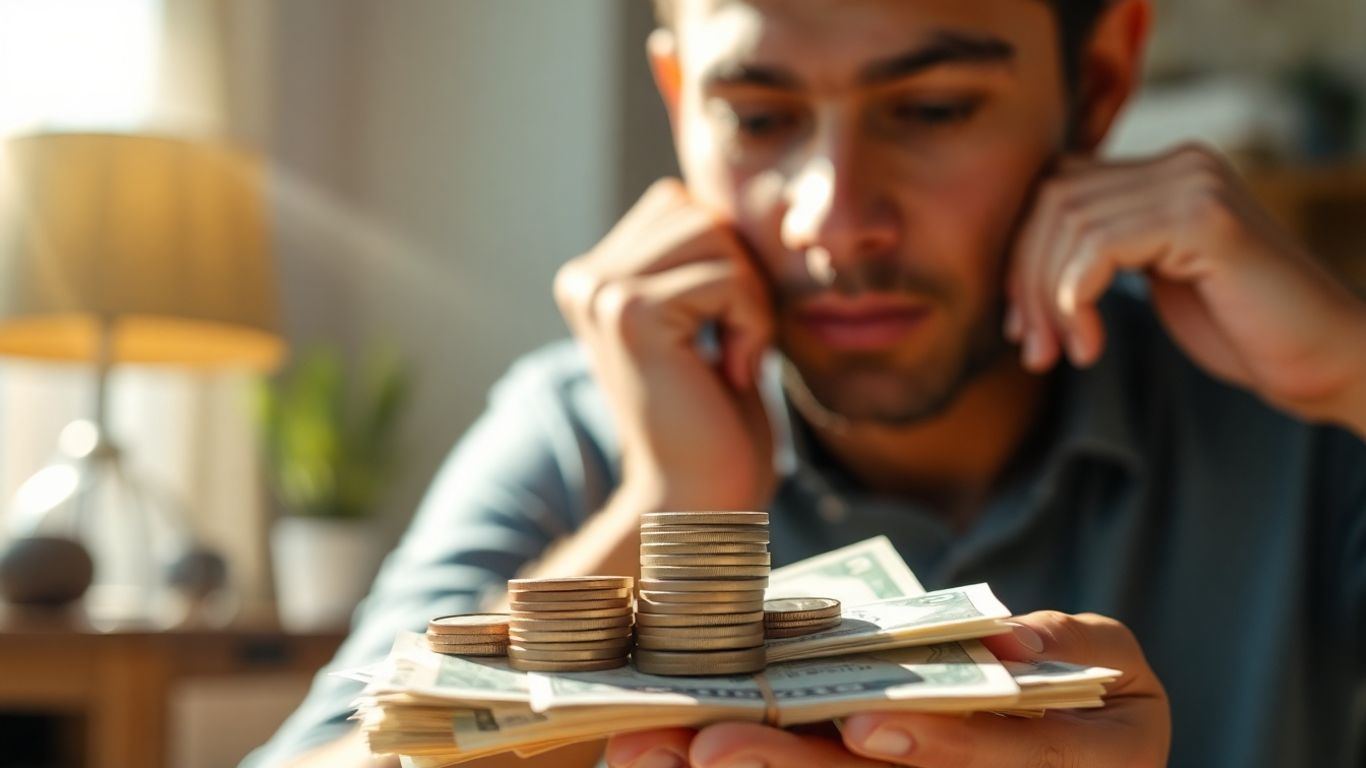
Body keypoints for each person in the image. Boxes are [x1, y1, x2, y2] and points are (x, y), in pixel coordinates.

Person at [244, 0, 1366, 766]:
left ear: (1101, 79)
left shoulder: (1305, 424)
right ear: (679, 97)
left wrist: (1352, 373)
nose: (831, 216)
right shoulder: (580, 427)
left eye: (932, 108)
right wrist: (661, 500)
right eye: (759, 117)